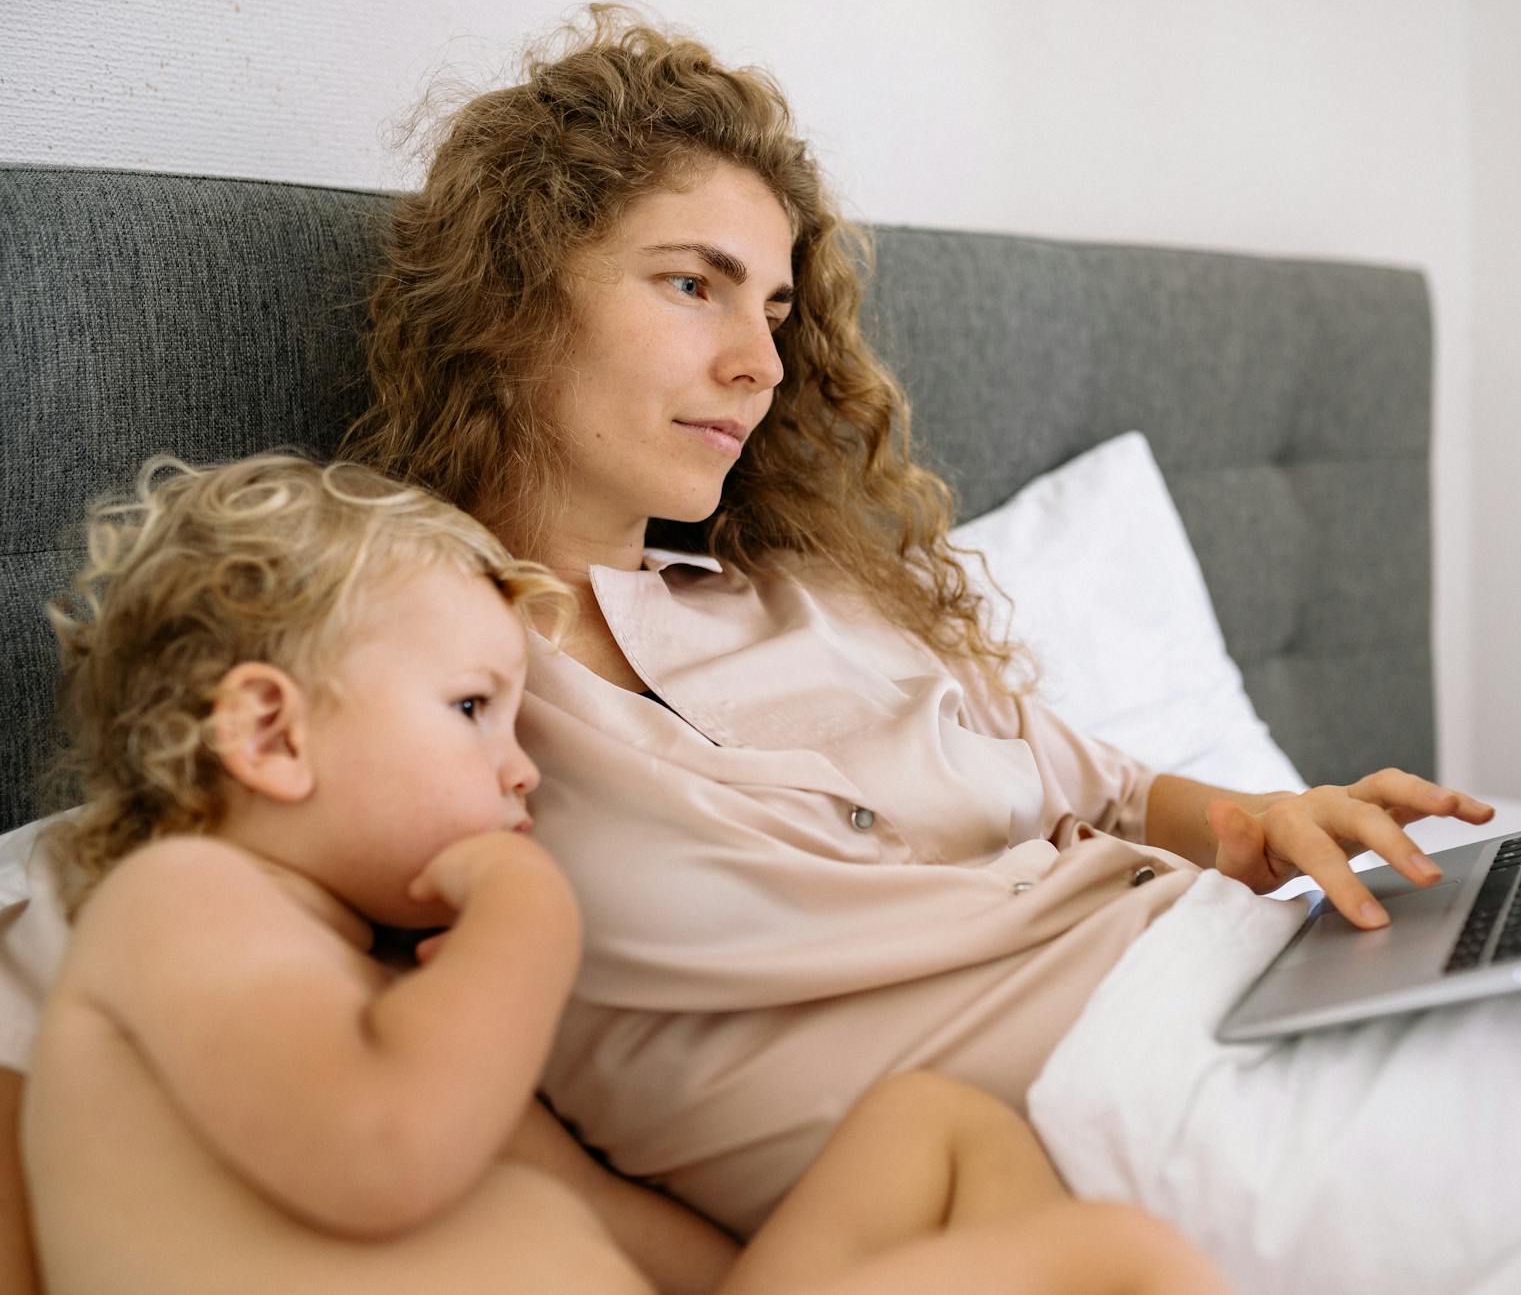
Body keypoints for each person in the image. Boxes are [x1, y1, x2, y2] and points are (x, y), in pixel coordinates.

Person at [0, 6, 1491, 1283]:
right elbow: (124, 937)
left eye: (776, 308)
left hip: (1223, 951)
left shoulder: (806, 596)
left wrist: (1251, 818)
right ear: (513, 301)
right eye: (691, 282)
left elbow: (1084, 773)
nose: (761, 362)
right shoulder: (400, 675)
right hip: (1125, 1074)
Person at [19, 453, 1231, 1295]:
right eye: (473, 709)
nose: (521, 770)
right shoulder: (175, 904)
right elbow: (392, 1148)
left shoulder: (387, 988)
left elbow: (608, 1223)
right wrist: (525, 907)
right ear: (272, 737)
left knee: (936, 1125)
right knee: (1122, 1262)